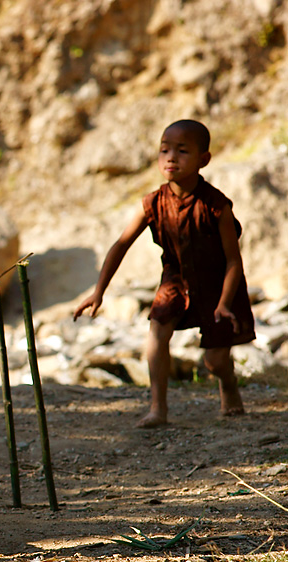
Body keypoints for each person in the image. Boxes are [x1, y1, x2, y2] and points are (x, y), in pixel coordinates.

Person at [74, 119, 255, 428]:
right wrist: (99, 291)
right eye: (164, 150)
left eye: (182, 151)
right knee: (157, 333)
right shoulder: (152, 203)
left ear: (204, 160)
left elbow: (233, 261)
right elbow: (120, 245)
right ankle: (158, 408)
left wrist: (224, 303)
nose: (171, 158)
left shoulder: (216, 206)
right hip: (175, 280)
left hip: (217, 285)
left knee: (215, 361)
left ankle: (228, 382)